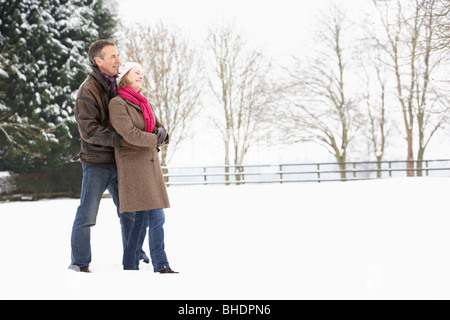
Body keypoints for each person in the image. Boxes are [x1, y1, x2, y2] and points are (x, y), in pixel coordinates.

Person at [69, 40, 149, 273]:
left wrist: (156, 130)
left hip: (121, 161)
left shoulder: (117, 86)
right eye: (112, 56)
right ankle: (79, 262)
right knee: (87, 213)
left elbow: (136, 111)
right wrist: (120, 139)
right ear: (98, 61)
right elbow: (89, 130)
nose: (118, 60)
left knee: (130, 213)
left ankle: (132, 257)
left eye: (118, 55)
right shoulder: (88, 90)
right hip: (96, 163)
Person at [109, 62, 177, 273]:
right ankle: (161, 264)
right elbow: (129, 134)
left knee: (140, 219)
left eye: (142, 73)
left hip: (149, 166)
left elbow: (158, 127)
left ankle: (130, 264)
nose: (141, 75)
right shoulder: (117, 103)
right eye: (136, 72)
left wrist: (163, 133)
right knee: (157, 217)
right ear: (124, 76)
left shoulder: (143, 102)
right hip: (133, 167)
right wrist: (155, 139)